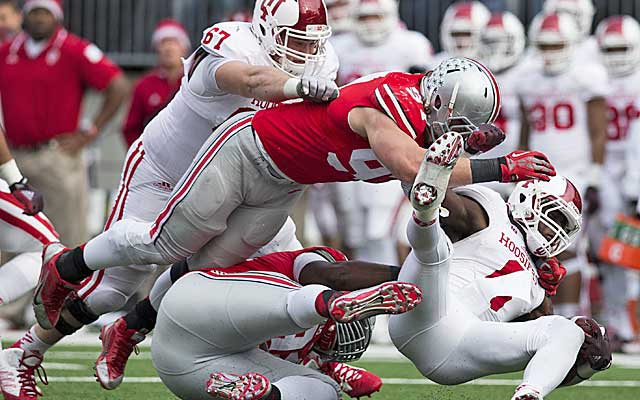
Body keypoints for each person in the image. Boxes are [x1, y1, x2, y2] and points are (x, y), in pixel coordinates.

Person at [36, 58, 550, 375]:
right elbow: (415, 168)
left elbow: (430, 175)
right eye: (453, 123)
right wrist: (498, 166)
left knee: (209, 268)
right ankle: (68, 266)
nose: (453, 133)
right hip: (248, 151)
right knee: (166, 242)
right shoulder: (392, 102)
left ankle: (128, 328)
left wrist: (469, 165)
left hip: (284, 181)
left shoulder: (421, 116)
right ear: (435, 100)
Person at [6, 0, 342, 395]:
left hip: (240, 184)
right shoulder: (232, 44)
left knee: (286, 269)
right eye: (294, 41)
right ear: (265, 27)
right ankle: (24, 351)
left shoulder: (323, 62)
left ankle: (133, 327)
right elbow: (251, 80)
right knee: (111, 288)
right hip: (166, 171)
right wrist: (296, 87)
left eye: (311, 43)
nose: (304, 54)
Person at [389, 131, 611, 400]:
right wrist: (466, 157)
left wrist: (589, 364)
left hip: (461, 343)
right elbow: (451, 203)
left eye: (564, 228)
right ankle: (425, 211)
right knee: (437, 244)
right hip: (425, 307)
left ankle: (529, 395)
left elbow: (544, 353)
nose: (556, 232)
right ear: (530, 200)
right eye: (555, 218)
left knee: (568, 330)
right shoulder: (493, 211)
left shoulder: (540, 286)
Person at [152, 256, 421, 400]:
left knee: (325, 390)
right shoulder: (306, 262)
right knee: (292, 298)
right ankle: (329, 303)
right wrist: (409, 273)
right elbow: (335, 274)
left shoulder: (310, 359)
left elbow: (367, 382)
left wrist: (332, 370)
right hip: (202, 302)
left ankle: (269, 395)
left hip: (183, 369)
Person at [0, 0, 129, 247]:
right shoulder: (7, 51)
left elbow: (118, 85)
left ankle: (71, 287)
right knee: (12, 241)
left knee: (66, 239)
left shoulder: (75, 49)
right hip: (13, 157)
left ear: (57, 16)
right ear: (24, 16)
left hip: (56, 156)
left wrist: (89, 132)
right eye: (34, 12)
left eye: (45, 12)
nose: (39, 18)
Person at [517, 11, 609, 318]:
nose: (550, 53)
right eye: (544, 46)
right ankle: (548, 315)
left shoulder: (586, 75)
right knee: (535, 246)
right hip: (541, 174)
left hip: (576, 172)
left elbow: (599, 131)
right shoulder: (527, 78)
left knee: (567, 248)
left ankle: (572, 316)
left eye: (556, 46)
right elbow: (527, 130)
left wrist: (594, 175)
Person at [594, 15, 640, 347]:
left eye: (623, 48)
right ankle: (618, 320)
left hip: (633, 165)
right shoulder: (594, 77)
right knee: (613, 251)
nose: (618, 55)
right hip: (607, 167)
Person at [122, 19, 191, 147]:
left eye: (174, 42)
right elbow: (131, 128)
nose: (169, 48)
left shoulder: (194, 81)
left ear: (184, 48)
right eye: (164, 42)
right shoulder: (144, 85)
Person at [432, 0, 490, 66]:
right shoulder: (436, 65)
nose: (461, 42)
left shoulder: (490, 65)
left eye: (467, 34)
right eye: (456, 34)